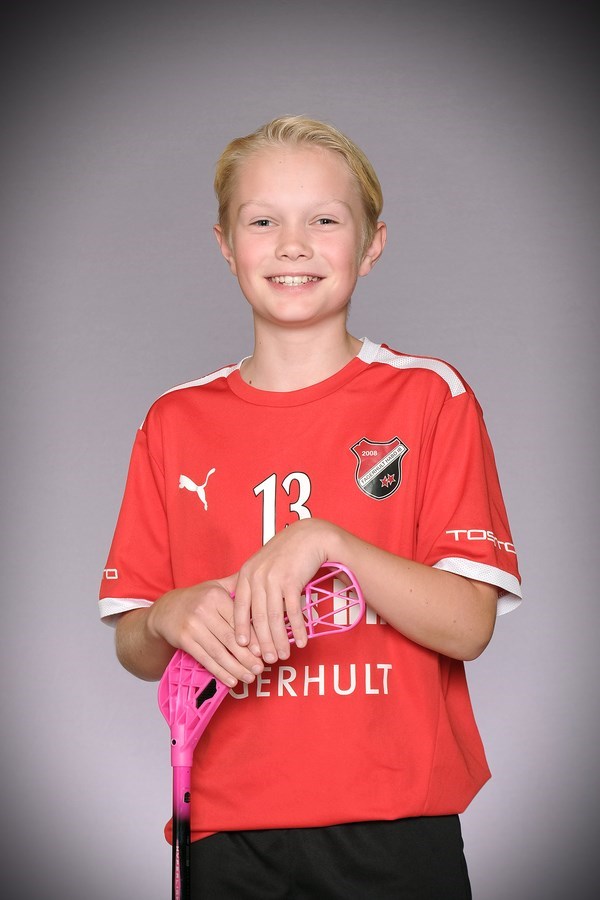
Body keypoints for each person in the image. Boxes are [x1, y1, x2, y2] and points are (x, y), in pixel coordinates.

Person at [99, 116, 522, 898]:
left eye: (324, 220)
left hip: (396, 828)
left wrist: (332, 543)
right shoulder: (174, 421)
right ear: (226, 245)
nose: (292, 245)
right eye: (263, 221)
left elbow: (469, 624)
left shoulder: (431, 397)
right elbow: (136, 642)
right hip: (226, 828)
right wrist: (164, 616)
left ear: (372, 244)